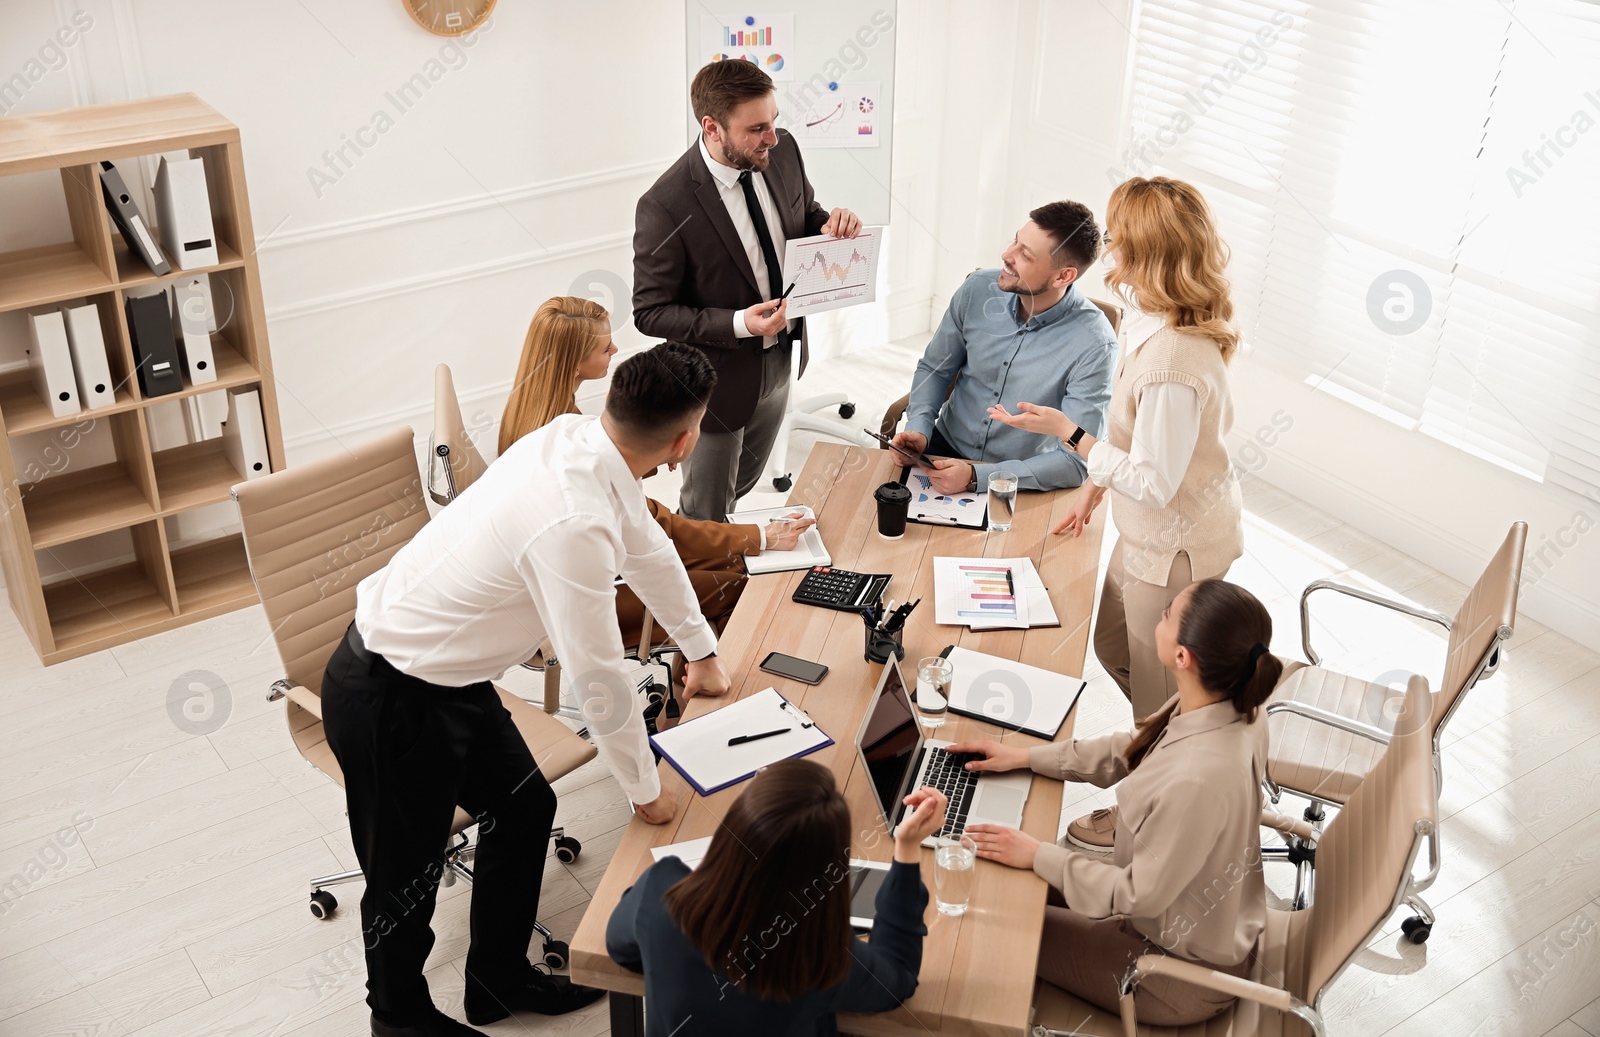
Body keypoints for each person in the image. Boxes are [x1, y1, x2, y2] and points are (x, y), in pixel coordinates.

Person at [321, 342, 735, 1037]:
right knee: (405, 877)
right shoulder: (571, 520)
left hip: (451, 677)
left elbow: (649, 550)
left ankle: (495, 981)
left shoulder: (579, 440)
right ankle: (396, 1019)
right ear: (686, 439)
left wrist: (703, 652)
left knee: (524, 804)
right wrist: (644, 790)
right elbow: (598, 672)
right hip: (390, 693)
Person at [951, 579, 1282, 1026]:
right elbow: (1133, 746)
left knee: (990, 918)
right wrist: (1026, 757)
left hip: (1173, 972)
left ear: (1183, 656)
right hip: (1178, 917)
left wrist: (1037, 853)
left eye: (1167, 614)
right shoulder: (1228, 699)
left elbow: (1135, 894)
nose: (1157, 617)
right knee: (994, 873)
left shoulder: (1198, 781)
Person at [990, 175, 1243, 738]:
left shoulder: (1175, 362)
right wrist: (1094, 487)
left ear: (1146, 252)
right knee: (1110, 645)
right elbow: (1138, 439)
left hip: (1175, 545)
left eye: (1119, 234)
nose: (1109, 244)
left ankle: (1155, 797)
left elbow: (1155, 483)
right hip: (1145, 530)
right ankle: (1183, 740)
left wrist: (1071, 435)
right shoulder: (1149, 315)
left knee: (1158, 698)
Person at [498, 296, 816, 640]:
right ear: (574, 363)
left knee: (722, 564)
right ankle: (699, 684)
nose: (615, 348)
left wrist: (652, 451)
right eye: (605, 348)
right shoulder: (572, 444)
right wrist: (760, 537)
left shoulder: (537, 415)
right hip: (577, 600)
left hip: (550, 579)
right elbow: (660, 527)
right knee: (737, 583)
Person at [633, 58, 861, 522]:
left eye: (774, 121)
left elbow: (804, 213)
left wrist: (831, 224)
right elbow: (650, 311)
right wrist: (739, 324)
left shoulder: (783, 150)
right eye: (757, 128)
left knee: (743, 486)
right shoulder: (665, 205)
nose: (772, 138)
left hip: (780, 360)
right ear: (712, 127)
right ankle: (704, 584)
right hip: (715, 382)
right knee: (706, 510)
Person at [606, 760, 947, 1036]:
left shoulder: (661, 891)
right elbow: (897, 979)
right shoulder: (822, 957)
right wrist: (906, 850)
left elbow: (620, 948)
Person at [888, 201, 1117, 494]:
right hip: (939, 450)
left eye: (1025, 255)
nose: (1006, 256)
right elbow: (936, 368)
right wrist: (919, 427)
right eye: (1015, 241)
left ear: (1063, 276)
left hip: (1019, 477)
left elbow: (1076, 463)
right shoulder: (977, 289)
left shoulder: (1095, 344)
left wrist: (978, 476)